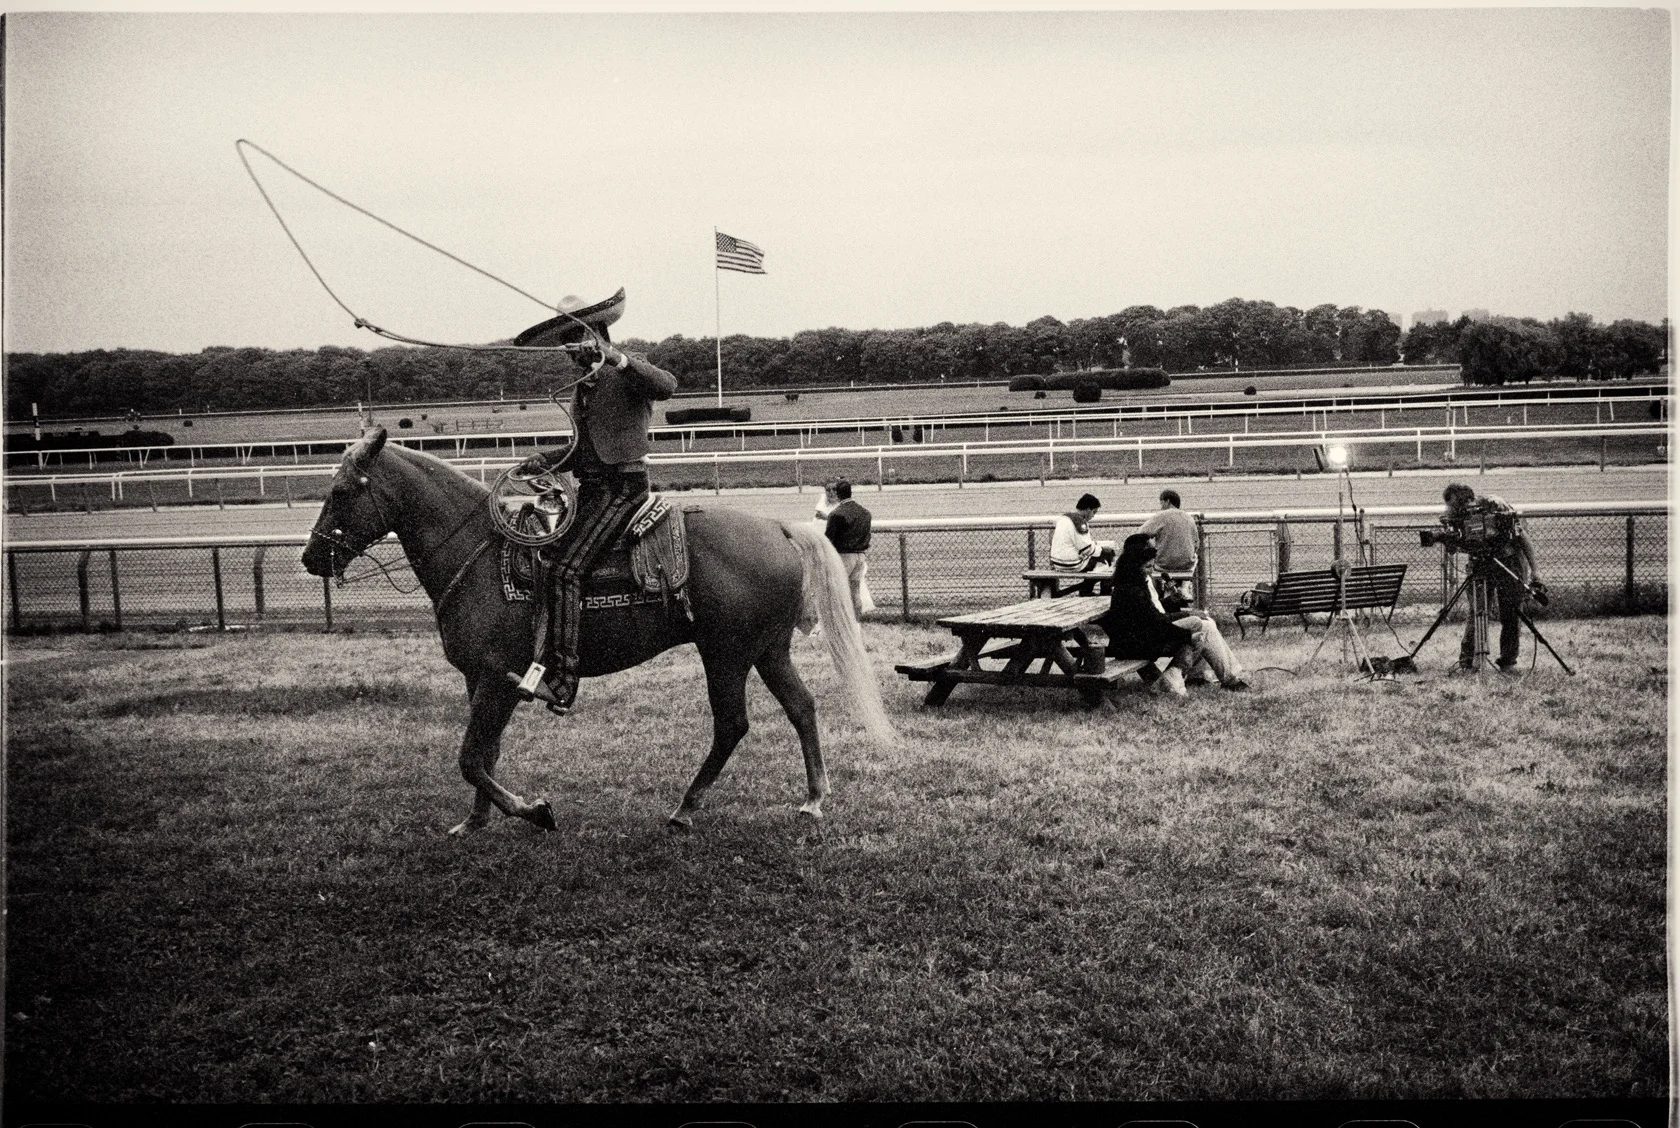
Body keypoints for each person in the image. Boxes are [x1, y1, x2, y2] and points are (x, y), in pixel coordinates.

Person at [510, 289, 679, 712]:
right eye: (565, 344)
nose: (569, 351)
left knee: (567, 569)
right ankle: (540, 660)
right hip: (593, 489)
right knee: (549, 562)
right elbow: (584, 449)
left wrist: (613, 356)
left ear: (595, 333)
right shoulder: (583, 384)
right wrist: (543, 460)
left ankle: (564, 682)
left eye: (573, 340)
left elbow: (667, 386)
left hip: (623, 488)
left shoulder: (628, 367)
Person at [1097, 533, 1249, 696]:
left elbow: (1152, 612)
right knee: (1202, 627)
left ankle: (1194, 676)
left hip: (1147, 633)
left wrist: (1172, 602)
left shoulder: (1136, 579)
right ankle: (1228, 678)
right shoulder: (1132, 587)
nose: (1152, 568)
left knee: (1203, 625)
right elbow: (1154, 620)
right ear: (1136, 561)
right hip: (1141, 640)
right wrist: (1187, 624)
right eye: (1149, 565)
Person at [1441, 482, 1543, 674]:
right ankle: (1468, 661)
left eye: (1461, 506)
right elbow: (1453, 550)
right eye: (1455, 508)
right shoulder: (1453, 516)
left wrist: (1534, 571)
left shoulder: (1496, 505)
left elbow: (1523, 538)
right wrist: (1449, 538)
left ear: (1471, 500)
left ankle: (1508, 661)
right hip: (1480, 564)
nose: (1462, 511)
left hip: (1509, 561)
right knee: (1478, 612)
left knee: (1511, 612)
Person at [1136, 489, 1198, 611]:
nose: (1160, 507)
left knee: (1153, 562)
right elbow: (1196, 544)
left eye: (1161, 503)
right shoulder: (1189, 518)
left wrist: (1150, 544)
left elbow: (1140, 534)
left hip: (1163, 565)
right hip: (1187, 565)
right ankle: (1184, 586)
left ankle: (1166, 594)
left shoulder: (1161, 516)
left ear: (1167, 501)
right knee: (1194, 557)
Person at [823, 479, 875, 617]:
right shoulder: (865, 513)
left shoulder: (836, 514)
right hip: (860, 555)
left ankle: (840, 621)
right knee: (855, 592)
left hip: (843, 556)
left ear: (838, 495)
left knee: (837, 591)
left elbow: (828, 539)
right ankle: (855, 623)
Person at [1050, 493, 1118, 574]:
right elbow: (1087, 549)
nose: (1093, 516)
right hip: (1071, 564)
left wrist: (1098, 546)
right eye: (1094, 512)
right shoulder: (1079, 522)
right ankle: (1101, 585)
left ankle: (1087, 586)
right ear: (1088, 510)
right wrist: (1103, 549)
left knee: (1100, 559)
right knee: (1108, 555)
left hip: (1057, 563)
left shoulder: (1064, 518)